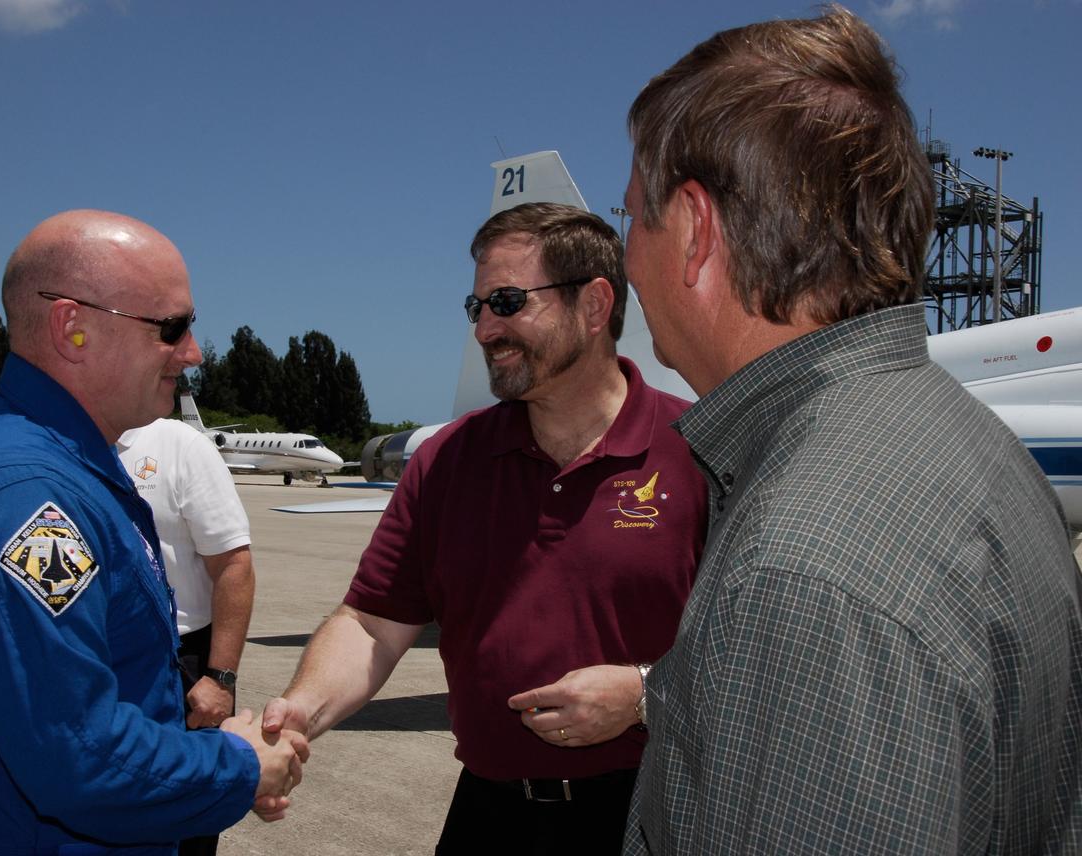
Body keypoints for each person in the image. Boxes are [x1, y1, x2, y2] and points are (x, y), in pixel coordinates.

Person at [621, 8, 1082, 854]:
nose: (627, 258)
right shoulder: (968, 444)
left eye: (631, 221)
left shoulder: (802, 575)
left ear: (693, 232)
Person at [262, 202, 707, 854]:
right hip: (489, 815)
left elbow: (769, 653)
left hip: (652, 814)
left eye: (505, 302)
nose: (485, 330)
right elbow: (372, 623)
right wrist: (303, 709)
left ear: (593, 305)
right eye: (478, 309)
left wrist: (644, 695)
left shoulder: (700, 451)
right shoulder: (449, 459)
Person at [0, 210, 308, 855]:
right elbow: (79, 751)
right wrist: (239, 765)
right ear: (71, 327)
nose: (192, 353)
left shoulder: (66, 467)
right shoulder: (25, 497)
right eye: (172, 328)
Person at [116, 416, 256, 856]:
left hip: (182, 660)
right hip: (102, 659)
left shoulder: (180, 445)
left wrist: (221, 678)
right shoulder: (69, 443)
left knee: (189, 815)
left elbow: (235, 565)